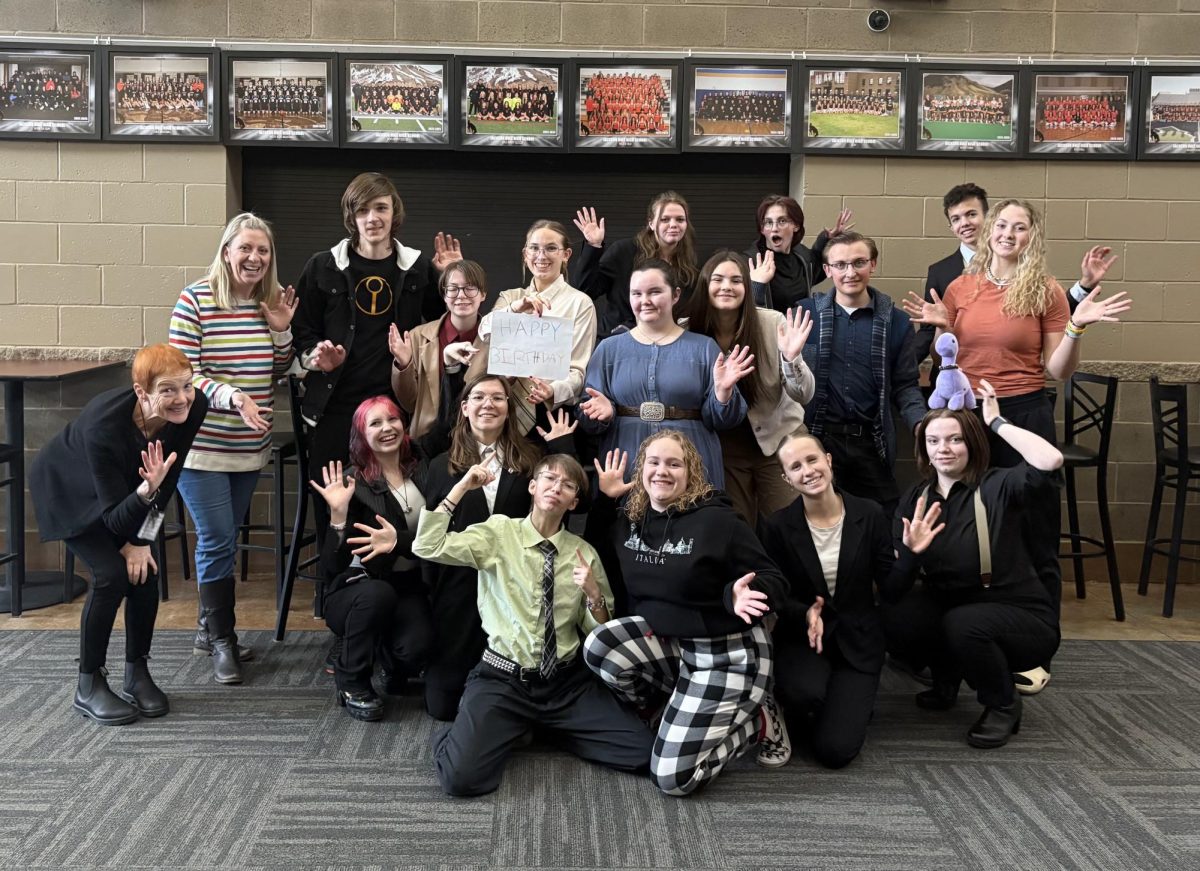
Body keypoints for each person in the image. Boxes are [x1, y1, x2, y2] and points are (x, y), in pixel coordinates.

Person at [901, 200, 1130, 692]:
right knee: (964, 527)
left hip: (1022, 415)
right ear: (988, 230)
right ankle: (963, 640)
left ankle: (1034, 652)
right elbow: (951, 356)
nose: (1008, 233)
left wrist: (1076, 326)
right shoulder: (962, 287)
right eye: (1001, 224)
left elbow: (1057, 370)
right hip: (970, 419)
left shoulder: (1045, 290)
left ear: (1032, 236)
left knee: (1033, 532)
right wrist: (944, 324)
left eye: (1019, 227)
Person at [413, 454, 654, 797]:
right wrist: (463, 486)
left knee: (643, 753)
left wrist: (594, 595)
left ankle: (539, 726)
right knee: (460, 779)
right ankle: (492, 723)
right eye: (549, 479)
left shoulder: (583, 552)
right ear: (532, 486)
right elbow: (427, 545)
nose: (556, 488)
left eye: (567, 485)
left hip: (565, 685)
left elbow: (601, 631)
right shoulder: (499, 533)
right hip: (505, 679)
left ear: (573, 502)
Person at [585, 431, 789, 796]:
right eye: (654, 462)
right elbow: (598, 544)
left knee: (672, 778)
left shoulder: (718, 522)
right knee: (601, 645)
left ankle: (757, 722)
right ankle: (671, 705)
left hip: (728, 651)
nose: (662, 471)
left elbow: (775, 579)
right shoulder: (632, 516)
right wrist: (605, 498)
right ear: (642, 468)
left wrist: (735, 596)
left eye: (674, 464)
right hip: (675, 644)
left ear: (690, 471)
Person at [31, 344, 208, 725]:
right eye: (168, 390)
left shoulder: (193, 406)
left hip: (126, 489)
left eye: (187, 386)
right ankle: (88, 684)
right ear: (141, 392)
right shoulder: (103, 425)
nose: (182, 399)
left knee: (144, 571)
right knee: (110, 575)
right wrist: (144, 495)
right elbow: (112, 518)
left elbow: (170, 476)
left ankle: (136, 672)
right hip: (70, 492)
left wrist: (141, 541)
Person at [884, 384, 1063, 749]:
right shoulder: (916, 498)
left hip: (1020, 613)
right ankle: (946, 678)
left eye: (955, 440)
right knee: (899, 616)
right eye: (933, 442)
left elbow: (1050, 460)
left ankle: (1002, 705)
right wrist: (913, 553)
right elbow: (894, 587)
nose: (943, 449)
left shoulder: (999, 485)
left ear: (972, 444)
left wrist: (996, 423)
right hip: (955, 605)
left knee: (962, 623)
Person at [292, 171, 462, 538]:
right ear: (351, 217)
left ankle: (394, 579)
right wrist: (315, 357)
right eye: (363, 210)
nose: (373, 218)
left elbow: (443, 326)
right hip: (334, 406)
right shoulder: (323, 266)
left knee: (401, 499)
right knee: (333, 500)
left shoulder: (417, 267)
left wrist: (451, 277)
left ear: (394, 213)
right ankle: (335, 587)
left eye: (381, 208)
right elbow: (302, 331)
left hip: (396, 407)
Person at [760, 434, 943, 768]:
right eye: (796, 466)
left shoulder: (869, 514)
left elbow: (890, 591)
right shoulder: (777, 527)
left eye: (812, 460)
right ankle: (798, 703)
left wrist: (911, 556)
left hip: (857, 641)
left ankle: (843, 702)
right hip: (805, 640)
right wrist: (804, 614)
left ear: (828, 460)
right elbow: (776, 597)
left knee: (835, 752)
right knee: (803, 695)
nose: (807, 471)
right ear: (787, 478)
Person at [168, 212, 297, 685]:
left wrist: (282, 328)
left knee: (223, 537)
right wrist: (233, 396)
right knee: (218, 538)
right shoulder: (195, 299)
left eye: (262, 250)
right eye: (245, 248)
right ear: (227, 251)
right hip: (201, 445)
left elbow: (279, 370)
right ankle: (223, 639)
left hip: (248, 446)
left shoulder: (269, 301)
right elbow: (184, 374)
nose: (254, 257)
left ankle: (209, 627)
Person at [421, 373, 580, 720]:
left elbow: (569, 504)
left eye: (497, 398)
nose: (488, 405)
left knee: (507, 706)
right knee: (442, 709)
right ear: (464, 407)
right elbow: (433, 531)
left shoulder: (532, 460)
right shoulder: (439, 466)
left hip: (514, 588)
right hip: (459, 588)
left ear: (510, 409)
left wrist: (563, 447)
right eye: (478, 397)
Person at [579, 259, 752, 491]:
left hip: (691, 460)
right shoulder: (608, 350)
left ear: (675, 295)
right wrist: (603, 413)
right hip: (626, 459)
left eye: (655, 292)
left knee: (691, 524)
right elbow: (586, 420)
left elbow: (724, 420)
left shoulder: (704, 348)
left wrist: (722, 394)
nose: (645, 301)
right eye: (636, 293)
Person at [310, 396, 432, 722]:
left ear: (403, 425)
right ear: (362, 435)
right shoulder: (354, 482)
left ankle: (388, 657)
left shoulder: (424, 465)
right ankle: (352, 681)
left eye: (392, 419)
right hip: (359, 589)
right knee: (377, 595)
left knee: (416, 648)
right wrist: (337, 515)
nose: (386, 428)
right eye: (375, 423)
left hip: (409, 585)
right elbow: (333, 567)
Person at [915, 183, 1115, 374]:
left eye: (971, 214)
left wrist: (1084, 287)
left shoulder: (1031, 272)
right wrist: (899, 367)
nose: (965, 223)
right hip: (958, 387)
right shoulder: (943, 276)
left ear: (987, 218)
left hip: (1017, 391)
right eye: (956, 219)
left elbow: (1048, 313)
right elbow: (929, 333)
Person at [795, 231, 925, 513]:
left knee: (882, 520)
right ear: (827, 270)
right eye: (840, 265)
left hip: (871, 442)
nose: (850, 272)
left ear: (873, 264)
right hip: (817, 440)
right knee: (818, 521)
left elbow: (905, 386)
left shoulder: (897, 321)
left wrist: (923, 425)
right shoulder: (805, 314)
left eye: (858, 262)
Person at [684, 250, 815, 524]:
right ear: (705, 284)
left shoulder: (772, 323)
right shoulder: (686, 331)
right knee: (736, 526)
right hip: (725, 448)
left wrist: (791, 360)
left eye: (736, 280)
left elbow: (803, 394)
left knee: (788, 523)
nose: (727, 287)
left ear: (747, 286)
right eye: (717, 279)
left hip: (779, 439)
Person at [478, 219, 598, 435]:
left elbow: (578, 372)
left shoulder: (579, 303)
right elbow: (484, 332)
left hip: (552, 414)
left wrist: (552, 390)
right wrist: (515, 309)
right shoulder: (511, 297)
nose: (541, 256)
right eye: (534, 248)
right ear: (525, 254)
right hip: (503, 408)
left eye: (551, 248)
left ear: (566, 255)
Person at [571, 192, 700, 336]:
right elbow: (585, 290)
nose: (673, 224)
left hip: (663, 344)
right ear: (651, 223)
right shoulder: (624, 251)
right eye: (665, 219)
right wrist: (593, 246)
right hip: (619, 341)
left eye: (680, 219)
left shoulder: (688, 265)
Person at [389, 259, 489, 443]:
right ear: (444, 294)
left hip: (477, 440)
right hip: (427, 440)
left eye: (470, 288)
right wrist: (403, 365)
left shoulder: (495, 341)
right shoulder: (417, 337)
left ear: (483, 294)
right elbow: (409, 403)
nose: (461, 295)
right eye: (453, 288)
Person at [745, 195, 850, 313]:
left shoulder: (802, 257)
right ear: (762, 229)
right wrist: (756, 285)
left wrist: (828, 239)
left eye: (782, 221)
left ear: (796, 226)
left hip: (799, 329)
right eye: (768, 222)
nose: (774, 228)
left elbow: (818, 263)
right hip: (767, 330)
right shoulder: (749, 263)